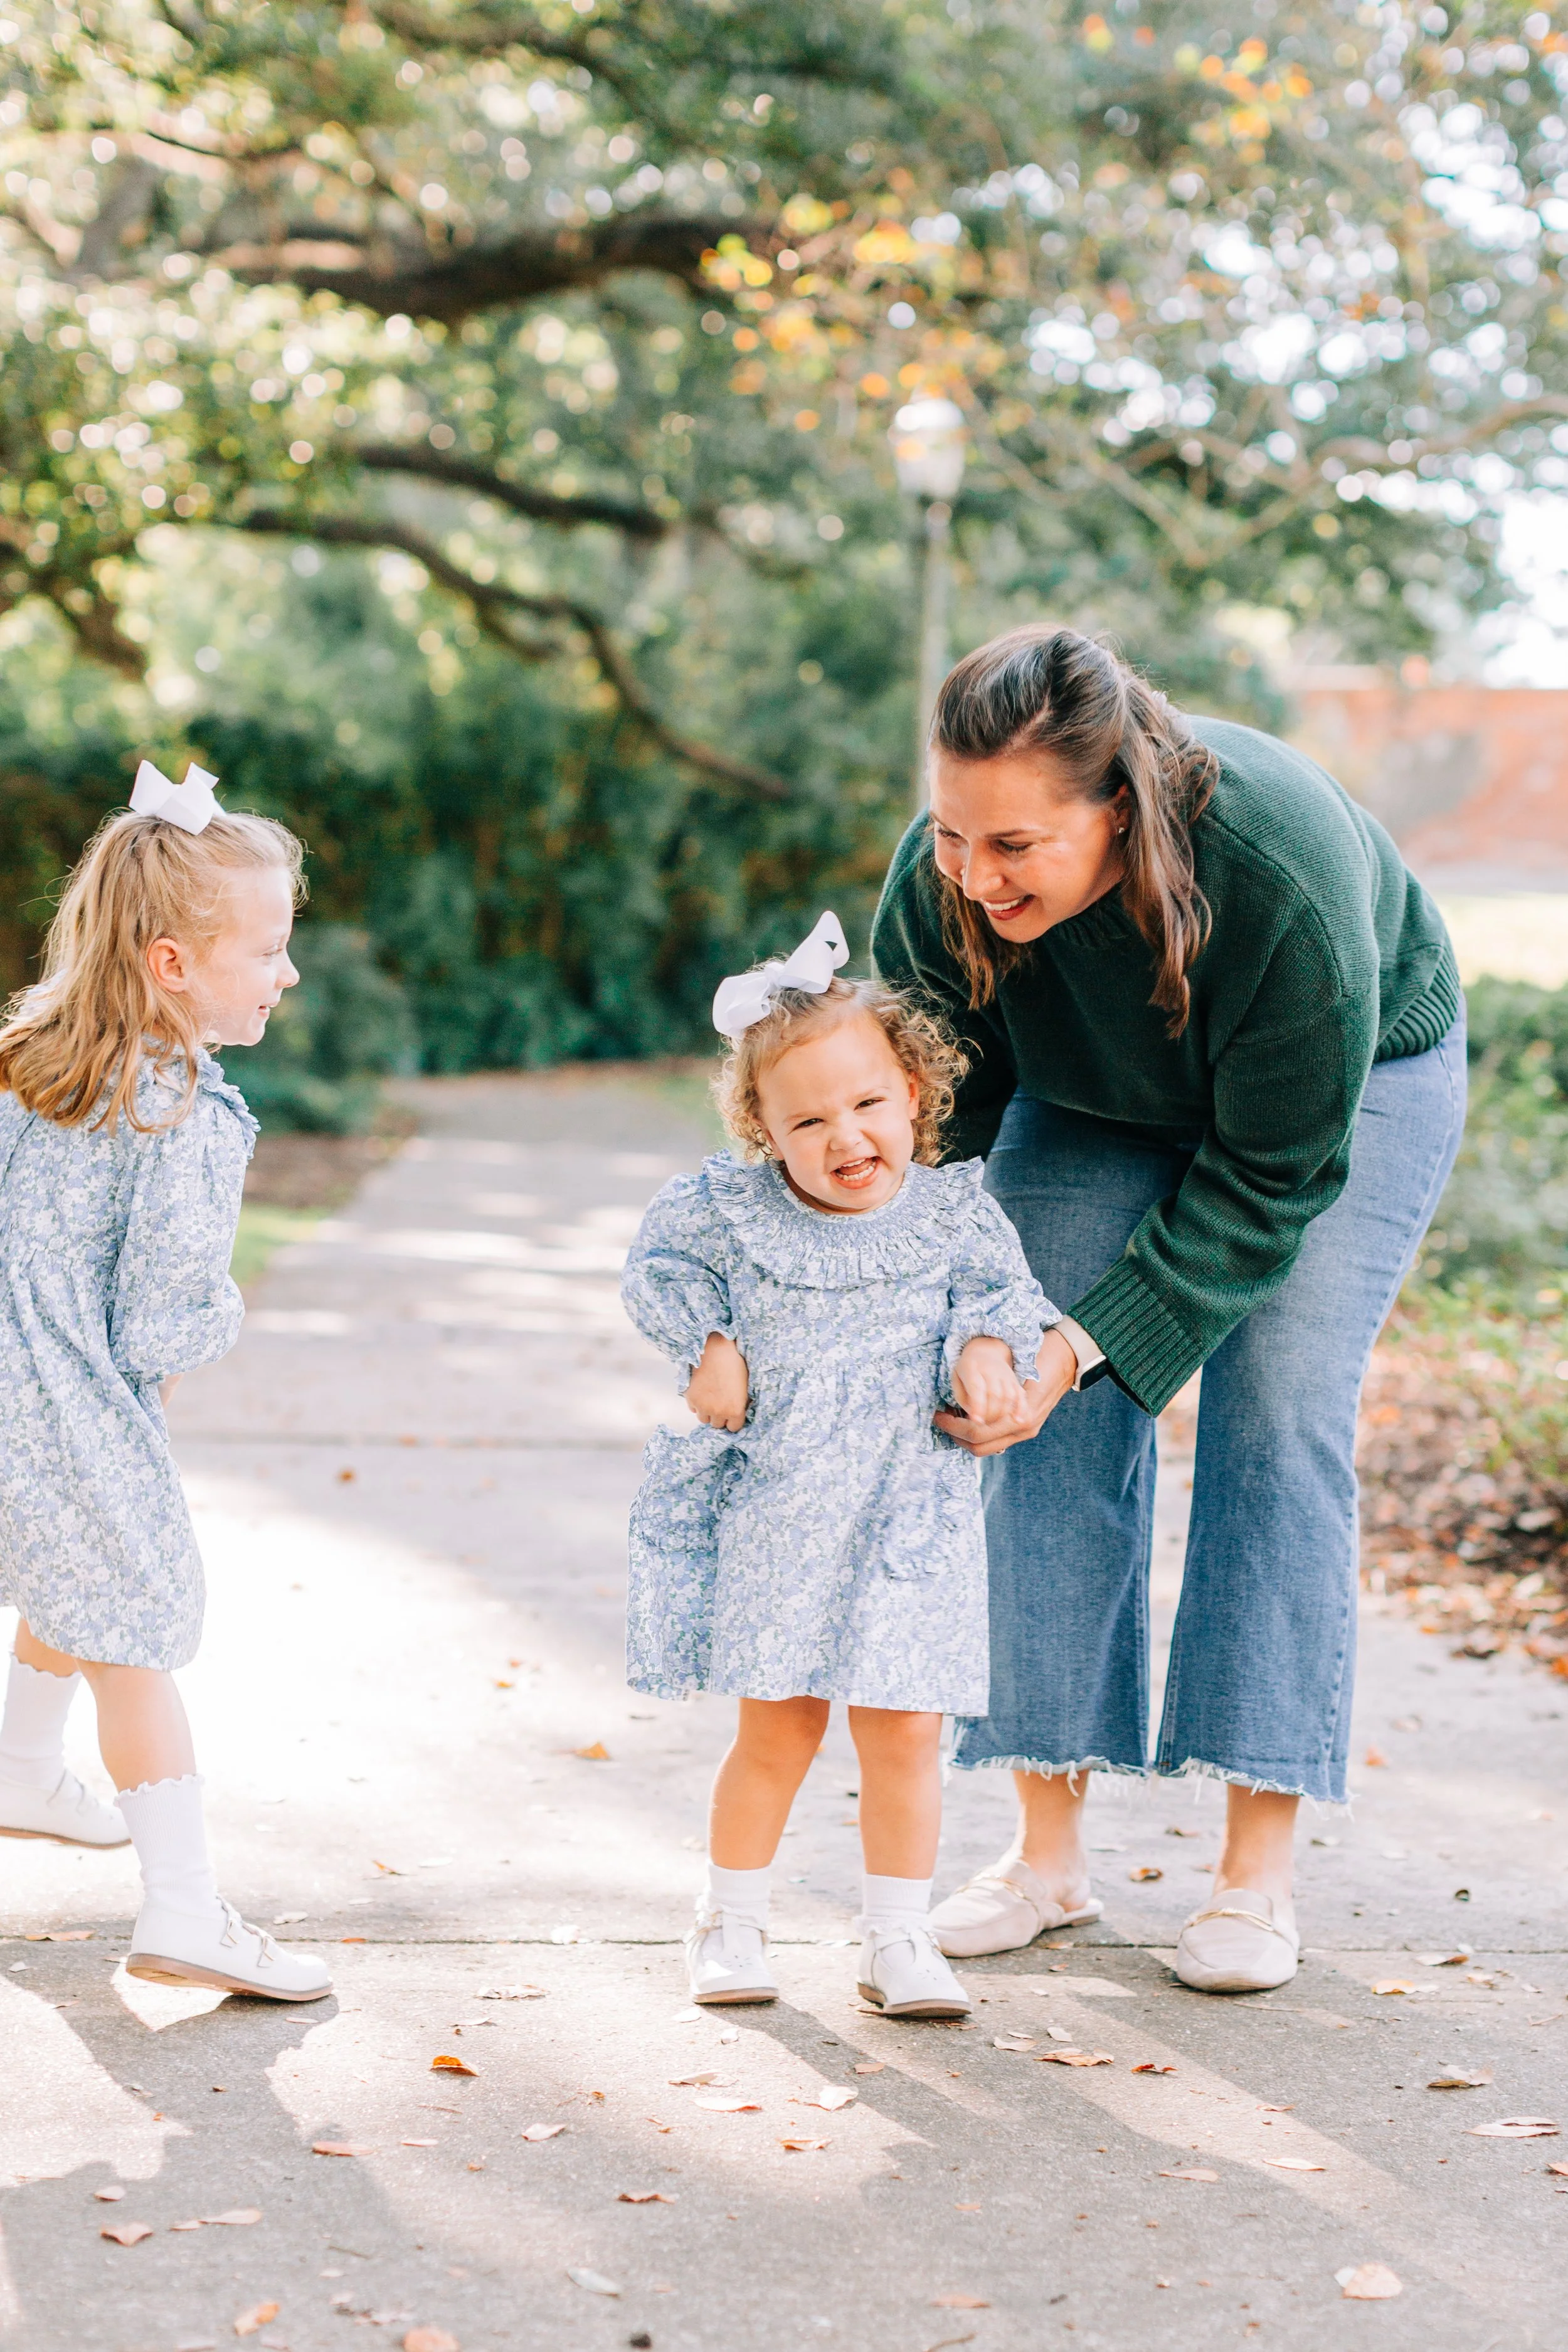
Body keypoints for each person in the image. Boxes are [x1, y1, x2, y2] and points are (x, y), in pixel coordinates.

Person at [872, 626, 1466, 1994]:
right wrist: (982, 1316)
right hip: (1092, 1103)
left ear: (1118, 807)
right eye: (955, 834)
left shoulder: (1279, 878)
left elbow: (1267, 1183)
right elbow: (928, 1112)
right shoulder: (944, 870)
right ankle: (1045, 1860)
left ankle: (1252, 1877)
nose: (972, 872)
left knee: (1278, 1411)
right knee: (1020, 1413)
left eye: (1012, 845)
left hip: (1344, 1090)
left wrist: (1092, 1339)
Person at [620, 914, 1053, 2018]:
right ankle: (731, 1918)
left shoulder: (956, 1215)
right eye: (808, 1119)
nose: (846, 1136)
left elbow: (994, 1308)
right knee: (781, 1726)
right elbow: (658, 1265)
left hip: (911, 1518)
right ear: (764, 1129)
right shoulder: (732, 1214)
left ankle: (899, 1938)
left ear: (913, 1089)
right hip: (785, 1512)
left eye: (866, 1104)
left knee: (906, 1731)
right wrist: (707, 1343)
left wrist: (987, 1356)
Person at [0, 760, 332, 2001]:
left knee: (61, 1565)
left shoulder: (29, 1068)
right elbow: (158, 1321)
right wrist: (180, 1364)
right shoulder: (184, 1116)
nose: (286, 971)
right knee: (133, 1629)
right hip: (73, 1406)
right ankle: (185, 1909)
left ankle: (23, 1765)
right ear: (171, 965)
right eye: (267, 948)